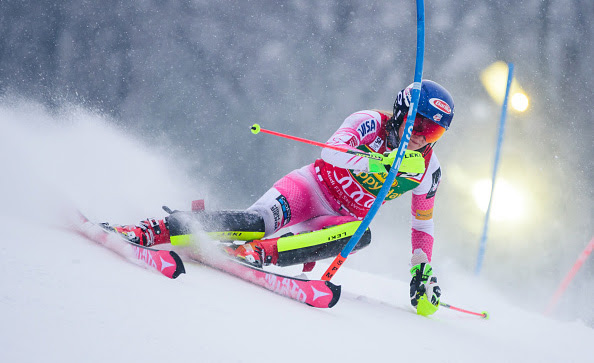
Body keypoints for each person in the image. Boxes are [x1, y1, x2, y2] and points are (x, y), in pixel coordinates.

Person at [110, 79, 454, 315]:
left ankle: (256, 254)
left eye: (434, 131)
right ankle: (154, 230)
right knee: (256, 222)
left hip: (337, 220)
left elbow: (422, 222)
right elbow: (330, 152)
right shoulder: (368, 122)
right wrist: (378, 161)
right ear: (400, 111)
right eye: (418, 125)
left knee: (361, 233)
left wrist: (420, 268)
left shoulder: (428, 170)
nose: (422, 138)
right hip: (311, 189)